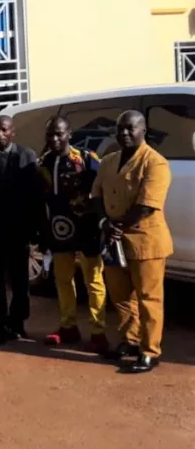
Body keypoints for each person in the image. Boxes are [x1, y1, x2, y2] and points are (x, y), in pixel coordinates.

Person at [92, 110, 173, 373]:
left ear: (143, 130)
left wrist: (119, 225)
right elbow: (96, 197)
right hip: (115, 241)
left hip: (145, 240)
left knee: (149, 298)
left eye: (131, 128)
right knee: (121, 297)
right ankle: (130, 339)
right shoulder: (108, 161)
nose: (124, 133)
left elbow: (147, 205)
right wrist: (106, 223)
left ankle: (150, 351)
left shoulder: (155, 163)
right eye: (120, 129)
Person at [37, 117, 109, 354]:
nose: (54, 139)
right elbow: (41, 201)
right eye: (50, 135)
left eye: (59, 134)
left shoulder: (86, 159)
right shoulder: (44, 163)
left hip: (87, 229)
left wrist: (101, 223)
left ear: (69, 133)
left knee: (94, 281)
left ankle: (98, 332)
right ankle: (68, 327)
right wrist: (43, 233)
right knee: (62, 280)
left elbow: (101, 193)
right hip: (59, 231)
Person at [0, 115, 40, 345]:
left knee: (20, 281)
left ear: (13, 132)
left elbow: (34, 196)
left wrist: (35, 230)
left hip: (19, 231)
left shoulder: (27, 156)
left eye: (4, 130)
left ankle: (18, 323)